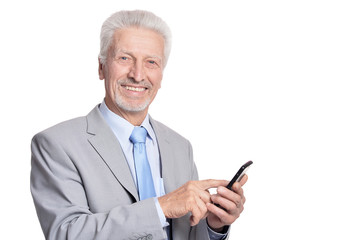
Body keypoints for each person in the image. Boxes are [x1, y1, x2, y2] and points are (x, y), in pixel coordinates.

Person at [30, 10, 248, 240]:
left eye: (151, 62)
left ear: (161, 75)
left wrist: (214, 226)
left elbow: (187, 234)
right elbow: (66, 234)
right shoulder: (57, 144)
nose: (137, 74)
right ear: (101, 67)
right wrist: (161, 208)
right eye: (124, 58)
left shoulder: (180, 147)